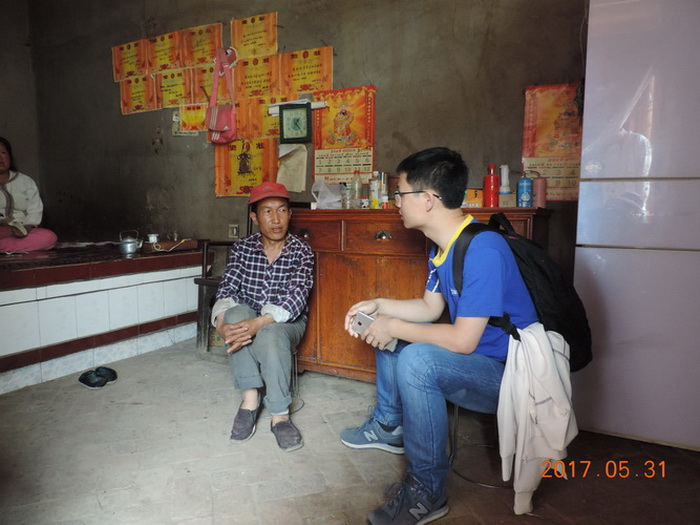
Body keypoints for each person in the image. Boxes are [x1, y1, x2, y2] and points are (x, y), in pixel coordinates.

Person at [341, 147, 538, 524]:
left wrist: (393, 326)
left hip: (511, 374)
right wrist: (379, 307)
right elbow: (429, 308)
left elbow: (463, 340)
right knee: (392, 328)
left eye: (400, 193)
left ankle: (427, 490)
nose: (395, 202)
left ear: (427, 199)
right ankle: (389, 425)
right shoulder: (444, 245)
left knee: (417, 359)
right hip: (478, 360)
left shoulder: (483, 248)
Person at [211, 181, 314, 452]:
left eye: (282, 210)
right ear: (255, 217)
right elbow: (227, 288)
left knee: (270, 332)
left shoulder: (301, 251)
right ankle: (250, 400)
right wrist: (221, 325)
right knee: (234, 314)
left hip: (287, 322)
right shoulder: (243, 248)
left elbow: (296, 298)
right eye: (267, 211)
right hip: (249, 315)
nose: (276, 219)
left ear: (290, 214)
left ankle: (280, 414)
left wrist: (260, 322)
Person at [0, 137, 57, 253]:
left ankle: (3, 246)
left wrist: (26, 227)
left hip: (22, 231)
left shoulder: (25, 181)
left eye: (3, 153)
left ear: (9, 156)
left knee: (49, 237)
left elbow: (35, 208)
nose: (0, 157)